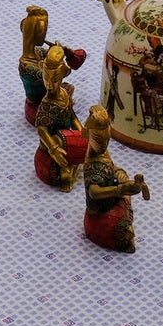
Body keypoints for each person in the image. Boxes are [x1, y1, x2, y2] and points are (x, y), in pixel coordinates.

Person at [82, 105, 149, 252]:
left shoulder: (103, 155)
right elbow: (94, 192)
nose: (103, 145)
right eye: (98, 139)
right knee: (124, 229)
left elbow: (112, 168)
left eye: (107, 139)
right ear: (86, 134)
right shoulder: (91, 165)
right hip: (99, 212)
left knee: (127, 201)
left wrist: (123, 178)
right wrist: (120, 189)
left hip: (113, 200)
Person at [34, 44, 87, 189]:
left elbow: (71, 116)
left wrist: (82, 133)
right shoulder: (46, 105)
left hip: (68, 141)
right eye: (46, 78)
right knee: (61, 172)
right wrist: (53, 148)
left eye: (55, 79)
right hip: (53, 149)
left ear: (63, 73)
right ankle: (65, 171)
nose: (50, 85)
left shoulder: (64, 93)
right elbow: (41, 129)